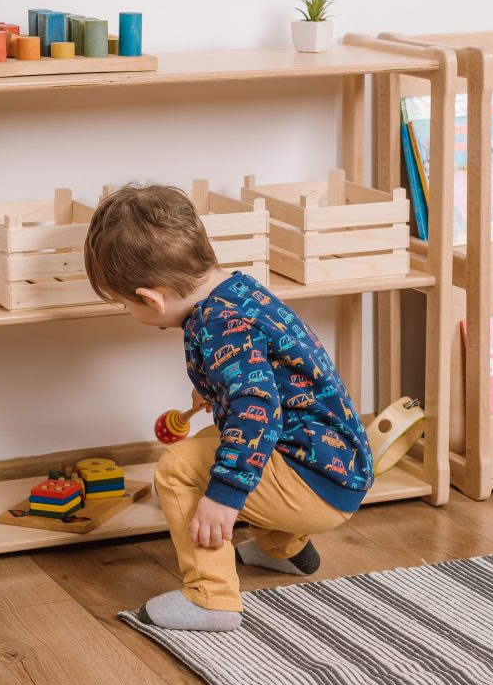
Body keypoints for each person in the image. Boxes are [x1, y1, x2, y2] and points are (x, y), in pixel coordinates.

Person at [84, 183, 373, 631]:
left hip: (312, 481)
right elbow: (267, 378)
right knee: (211, 443)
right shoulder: (237, 293)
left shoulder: (220, 327)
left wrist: (224, 498)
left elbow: (256, 407)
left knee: (180, 468)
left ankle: (211, 597)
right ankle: (288, 549)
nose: (132, 313)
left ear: (152, 299)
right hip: (335, 464)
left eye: (127, 305)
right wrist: (216, 392)